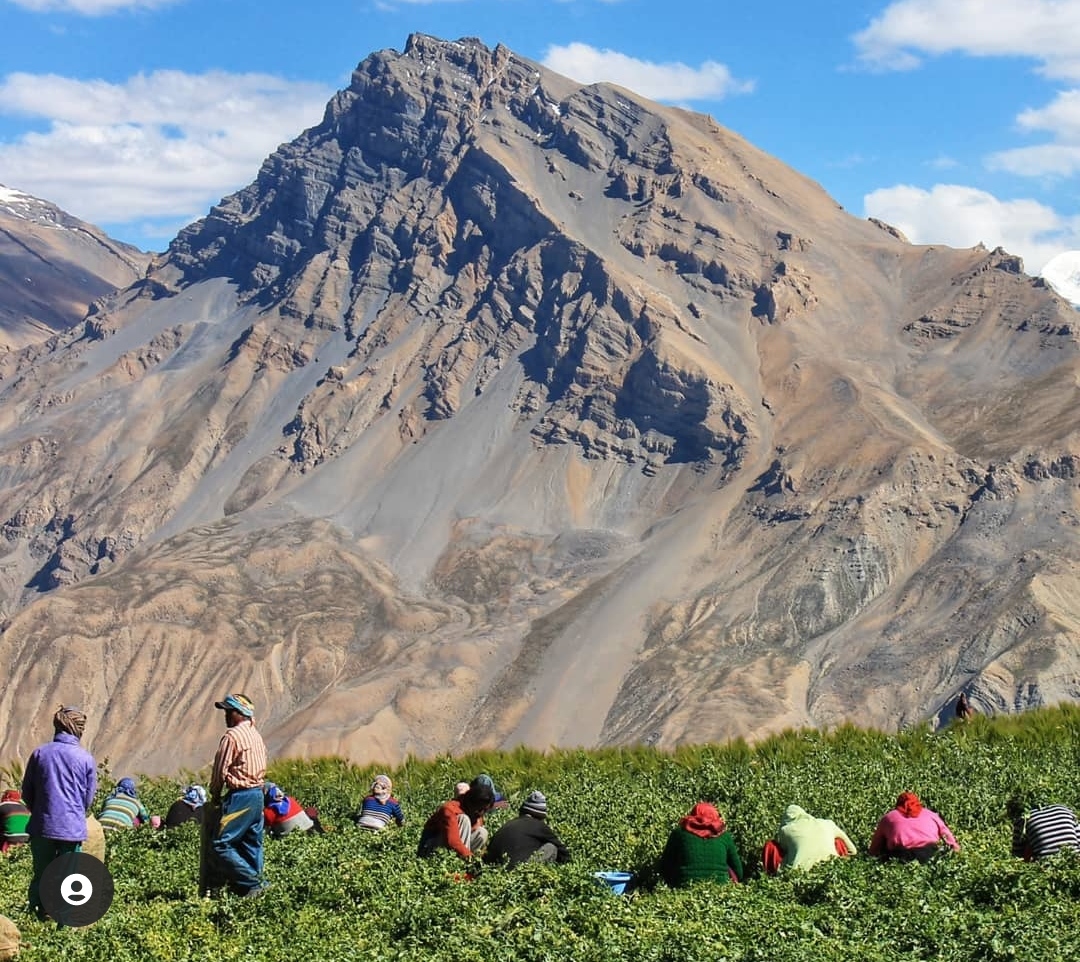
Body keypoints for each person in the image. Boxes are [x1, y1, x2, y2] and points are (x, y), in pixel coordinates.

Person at [20, 706, 97, 921]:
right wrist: (72, 813)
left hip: (43, 826)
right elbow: (87, 799)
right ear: (78, 729)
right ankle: (64, 924)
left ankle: (37, 917)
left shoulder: (40, 754)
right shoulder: (85, 759)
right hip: (71, 828)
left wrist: (41, 811)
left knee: (41, 875)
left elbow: (27, 791)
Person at [208, 693, 268, 897]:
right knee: (252, 842)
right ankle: (253, 888)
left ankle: (253, 883)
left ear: (237, 713)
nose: (226, 715)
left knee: (222, 844)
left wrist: (215, 794)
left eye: (228, 711)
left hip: (241, 795)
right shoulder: (255, 734)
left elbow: (220, 770)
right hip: (258, 795)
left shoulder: (232, 737)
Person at [658, 801, 743, 887]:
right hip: (721, 888)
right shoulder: (725, 836)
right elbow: (738, 872)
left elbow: (664, 867)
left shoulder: (679, 833)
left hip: (684, 887)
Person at [483, 790, 571, 868]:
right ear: (540, 815)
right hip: (520, 869)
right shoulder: (538, 825)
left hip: (496, 868)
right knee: (552, 847)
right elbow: (562, 850)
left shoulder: (508, 824)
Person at [417, 776, 495, 860]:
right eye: (479, 809)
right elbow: (452, 841)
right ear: (470, 803)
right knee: (464, 819)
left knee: (482, 832)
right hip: (430, 849)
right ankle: (462, 864)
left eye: (485, 810)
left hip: (451, 849)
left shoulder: (476, 813)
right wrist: (470, 858)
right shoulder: (450, 809)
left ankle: (465, 863)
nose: (481, 813)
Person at [868, 791, 959, 862]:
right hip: (928, 854)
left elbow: (876, 843)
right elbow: (946, 834)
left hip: (899, 856)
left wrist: (871, 856)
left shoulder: (888, 817)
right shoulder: (931, 814)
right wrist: (956, 850)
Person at [775, 804, 857, 870]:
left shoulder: (785, 830)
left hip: (799, 872)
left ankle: (772, 874)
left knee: (772, 846)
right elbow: (853, 851)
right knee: (838, 842)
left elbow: (784, 851)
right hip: (832, 867)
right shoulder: (828, 824)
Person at [1008, 797, 1080, 861]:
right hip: (1075, 859)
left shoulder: (1022, 819)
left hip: (1046, 865)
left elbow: (1017, 854)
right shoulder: (1064, 809)